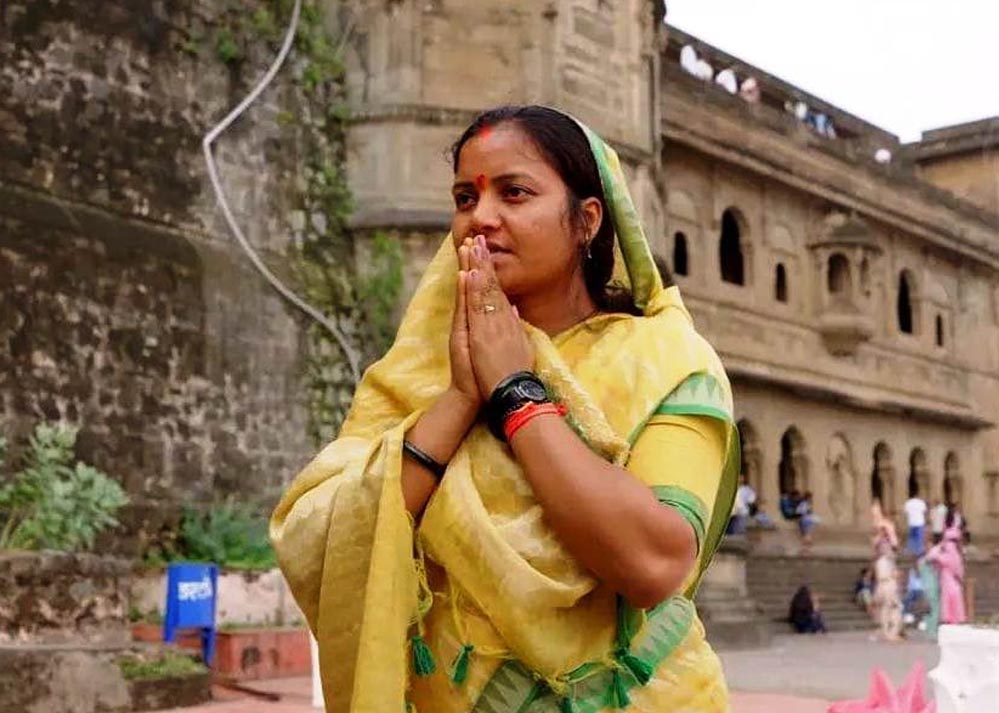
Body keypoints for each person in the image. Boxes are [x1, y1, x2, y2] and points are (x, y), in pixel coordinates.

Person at [271, 106, 739, 711]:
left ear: (586, 220)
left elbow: (654, 563)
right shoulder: (421, 373)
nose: (481, 218)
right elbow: (323, 538)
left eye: (514, 193)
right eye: (465, 198)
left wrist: (516, 391)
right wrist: (462, 398)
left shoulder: (663, 359)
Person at [926, 525, 967, 625]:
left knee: (947, 605)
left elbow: (930, 556)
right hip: (955, 585)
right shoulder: (957, 556)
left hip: (947, 584)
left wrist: (940, 546)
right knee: (955, 608)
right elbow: (960, 573)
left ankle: (947, 619)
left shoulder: (945, 556)